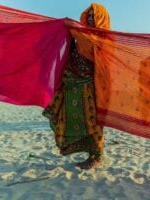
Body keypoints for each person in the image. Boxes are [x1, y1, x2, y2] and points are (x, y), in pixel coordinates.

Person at [43, 3, 110, 170]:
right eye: (88, 16)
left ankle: (97, 155)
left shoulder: (106, 39)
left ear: (102, 19)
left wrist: (75, 30)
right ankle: (86, 152)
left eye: (94, 16)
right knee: (68, 116)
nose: (90, 19)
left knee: (93, 121)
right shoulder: (79, 33)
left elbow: (102, 60)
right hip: (71, 81)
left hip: (90, 85)